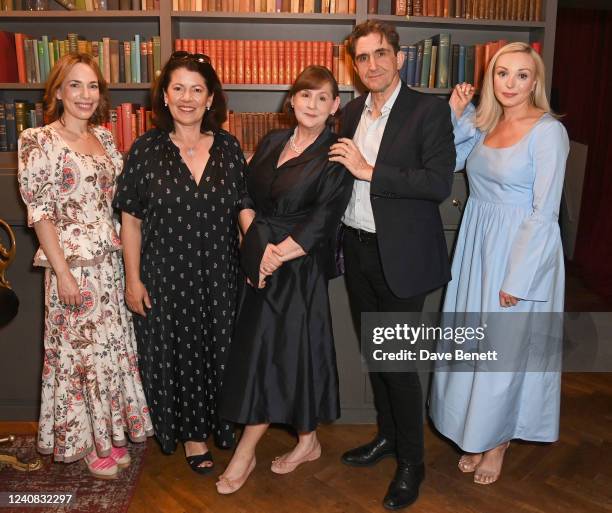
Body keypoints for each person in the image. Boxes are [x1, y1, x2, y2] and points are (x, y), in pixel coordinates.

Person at [328, 21, 456, 510]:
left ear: (400, 58)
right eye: (362, 58)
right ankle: (387, 437)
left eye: (381, 54)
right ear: (353, 65)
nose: (372, 64)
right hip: (357, 250)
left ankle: (412, 462)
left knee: (399, 365)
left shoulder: (429, 110)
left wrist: (370, 170)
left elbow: (437, 183)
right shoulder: (353, 111)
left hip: (402, 256)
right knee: (374, 352)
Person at [429, 42, 569, 485]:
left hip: (517, 251)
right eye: (502, 73)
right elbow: (448, 163)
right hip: (476, 245)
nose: (510, 84)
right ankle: (476, 430)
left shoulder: (548, 132)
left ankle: (498, 441)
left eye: (521, 75)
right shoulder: (483, 121)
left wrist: (520, 276)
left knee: (504, 351)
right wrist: (454, 115)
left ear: (536, 81)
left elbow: (545, 212)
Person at [216, 65, 353, 494]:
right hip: (256, 254)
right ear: (290, 100)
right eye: (304, 95)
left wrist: (277, 255)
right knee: (276, 354)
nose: (311, 104)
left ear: (334, 107)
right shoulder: (275, 141)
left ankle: (244, 451)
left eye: (322, 98)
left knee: (277, 354)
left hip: (297, 266)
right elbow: (245, 194)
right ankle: (308, 440)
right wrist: (251, 239)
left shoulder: (337, 153)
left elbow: (324, 219)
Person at [112, 52, 250, 474]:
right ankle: (193, 437)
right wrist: (132, 280)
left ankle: (225, 428)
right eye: (178, 88)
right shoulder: (146, 150)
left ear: (211, 99)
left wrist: (256, 264)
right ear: (165, 97)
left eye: (197, 89)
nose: (187, 98)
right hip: (165, 277)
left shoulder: (229, 147)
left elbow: (245, 210)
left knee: (223, 352)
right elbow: (130, 222)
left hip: (222, 276)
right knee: (180, 354)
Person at [17, 53, 153, 479]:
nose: (85, 95)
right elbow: (40, 213)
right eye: (75, 85)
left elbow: (118, 206)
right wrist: (63, 274)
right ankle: (89, 445)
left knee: (110, 354)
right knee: (79, 360)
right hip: (72, 270)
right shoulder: (37, 140)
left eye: (92, 86)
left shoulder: (107, 140)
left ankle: (110, 435)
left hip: (110, 266)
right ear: (58, 91)